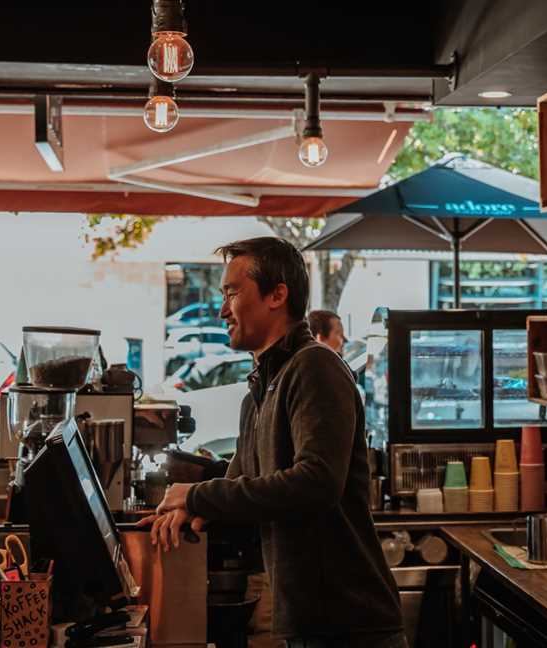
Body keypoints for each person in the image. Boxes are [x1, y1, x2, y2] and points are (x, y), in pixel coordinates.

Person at [139, 237, 405, 648]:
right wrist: (179, 511)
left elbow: (316, 482)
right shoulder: (260, 390)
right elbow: (243, 485)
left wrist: (197, 496)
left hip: (349, 623)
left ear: (277, 294)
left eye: (232, 293)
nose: (223, 310)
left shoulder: (315, 367)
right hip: (307, 619)